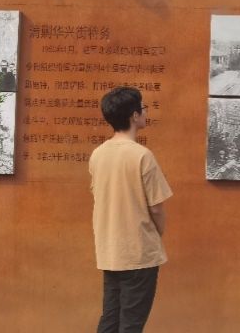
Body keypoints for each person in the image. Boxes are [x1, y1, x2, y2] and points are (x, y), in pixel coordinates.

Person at [89, 87, 173, 333]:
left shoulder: (98, 154)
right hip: (139, 252)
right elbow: (156, 208)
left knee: (110, 319)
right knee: (131, 324)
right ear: (134, 116)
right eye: (143, 108)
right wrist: (158, 234)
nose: (146, 113)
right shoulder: (142, 156)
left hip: (109, 250)